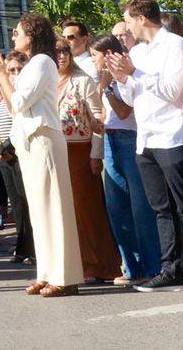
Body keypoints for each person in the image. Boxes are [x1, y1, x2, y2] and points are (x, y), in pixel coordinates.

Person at [103, 0, 183, 297]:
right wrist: (121, 78)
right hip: (147, 137)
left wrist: (134, 73)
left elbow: (172, 91)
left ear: (141, 18)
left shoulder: (176, 46)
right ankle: (170, 270)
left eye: (128, 19)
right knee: (160, 209)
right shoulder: (137, 51)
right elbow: (131, 99)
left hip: (175, 135)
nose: (125, 26)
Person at [0, 14, 83, 298]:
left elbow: (17, 102)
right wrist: (1, 76)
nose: (13, 36)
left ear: (31, 34)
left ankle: (65, 277)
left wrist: (2, 75)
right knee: (38, 211)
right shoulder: (31, 65)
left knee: (54, 208)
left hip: (43, 138)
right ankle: (46, 272)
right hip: (28, 141)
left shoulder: (43, 61)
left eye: (17, 32)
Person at [90, 34, 163, 285]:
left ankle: (153, 267)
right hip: (110, 139)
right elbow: (108, 115)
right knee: (117, 208)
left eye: (95, 55)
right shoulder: (101, 79)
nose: (93, 60)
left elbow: (124, 110)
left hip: (130, 138)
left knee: (140, 206)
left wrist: (108, 87)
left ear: (109, 54)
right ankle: (132, 267)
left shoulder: (126, 72)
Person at [56, 42, 119, 283]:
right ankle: (75, 264)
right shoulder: (48, 81)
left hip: (80, 151)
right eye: (56, 51)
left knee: (87, 210)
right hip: (57, 151)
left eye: (64, 50)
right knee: (65, 211)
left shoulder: (82, 81)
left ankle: (98, 265)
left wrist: (95, 154)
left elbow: (97, 120)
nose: (61, 55)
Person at [0, 52, 35, 265]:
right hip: (4, 155)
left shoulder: (21, 92)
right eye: (11, 70)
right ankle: (22, 246)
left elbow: (20, 121)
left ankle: (34, 248)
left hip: (19, 151)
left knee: (28, 202)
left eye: (19, 69)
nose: (15, 73)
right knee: (16, 204)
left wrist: (8, 146)